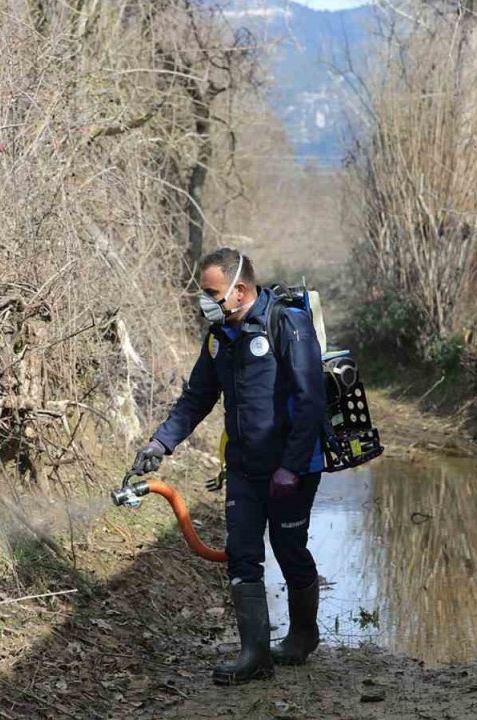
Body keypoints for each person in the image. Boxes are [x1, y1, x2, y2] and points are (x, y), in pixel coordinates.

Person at [130, 248, 327, 685]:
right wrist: (160, 442)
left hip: (291, 468)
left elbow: (311, 400)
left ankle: (302, 636)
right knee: (242, 553)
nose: (205, 302)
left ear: (239, 290)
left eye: (211, 293)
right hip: (243, 466)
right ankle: (255, 655)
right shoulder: (219, 336)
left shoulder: (286, 324)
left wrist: (291, 467)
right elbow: (198, 397)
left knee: (289, 549)